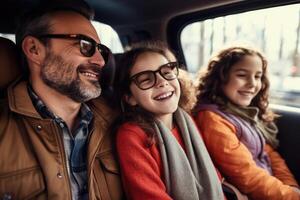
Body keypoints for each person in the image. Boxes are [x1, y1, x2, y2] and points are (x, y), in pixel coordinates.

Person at [0, 2, 123, 199]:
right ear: (34, 49)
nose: (100, 61)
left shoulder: (118, 122)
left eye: (101, 50)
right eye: (85, 46)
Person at [113, 43, 224, 200]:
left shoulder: (186, 121)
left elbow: (211, 175)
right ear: (130, 98)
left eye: (167, 72)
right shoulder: (131, 135)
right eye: (146, 79)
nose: (162, 82)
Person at [193, 46, 300, 199]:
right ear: (220, 77)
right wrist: (291, 196)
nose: (252, 84)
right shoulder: (212, 119)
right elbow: (245, 175)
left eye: (258, 76)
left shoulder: (242, 112)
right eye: (242, 75)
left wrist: (291, 186)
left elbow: (268, 153)